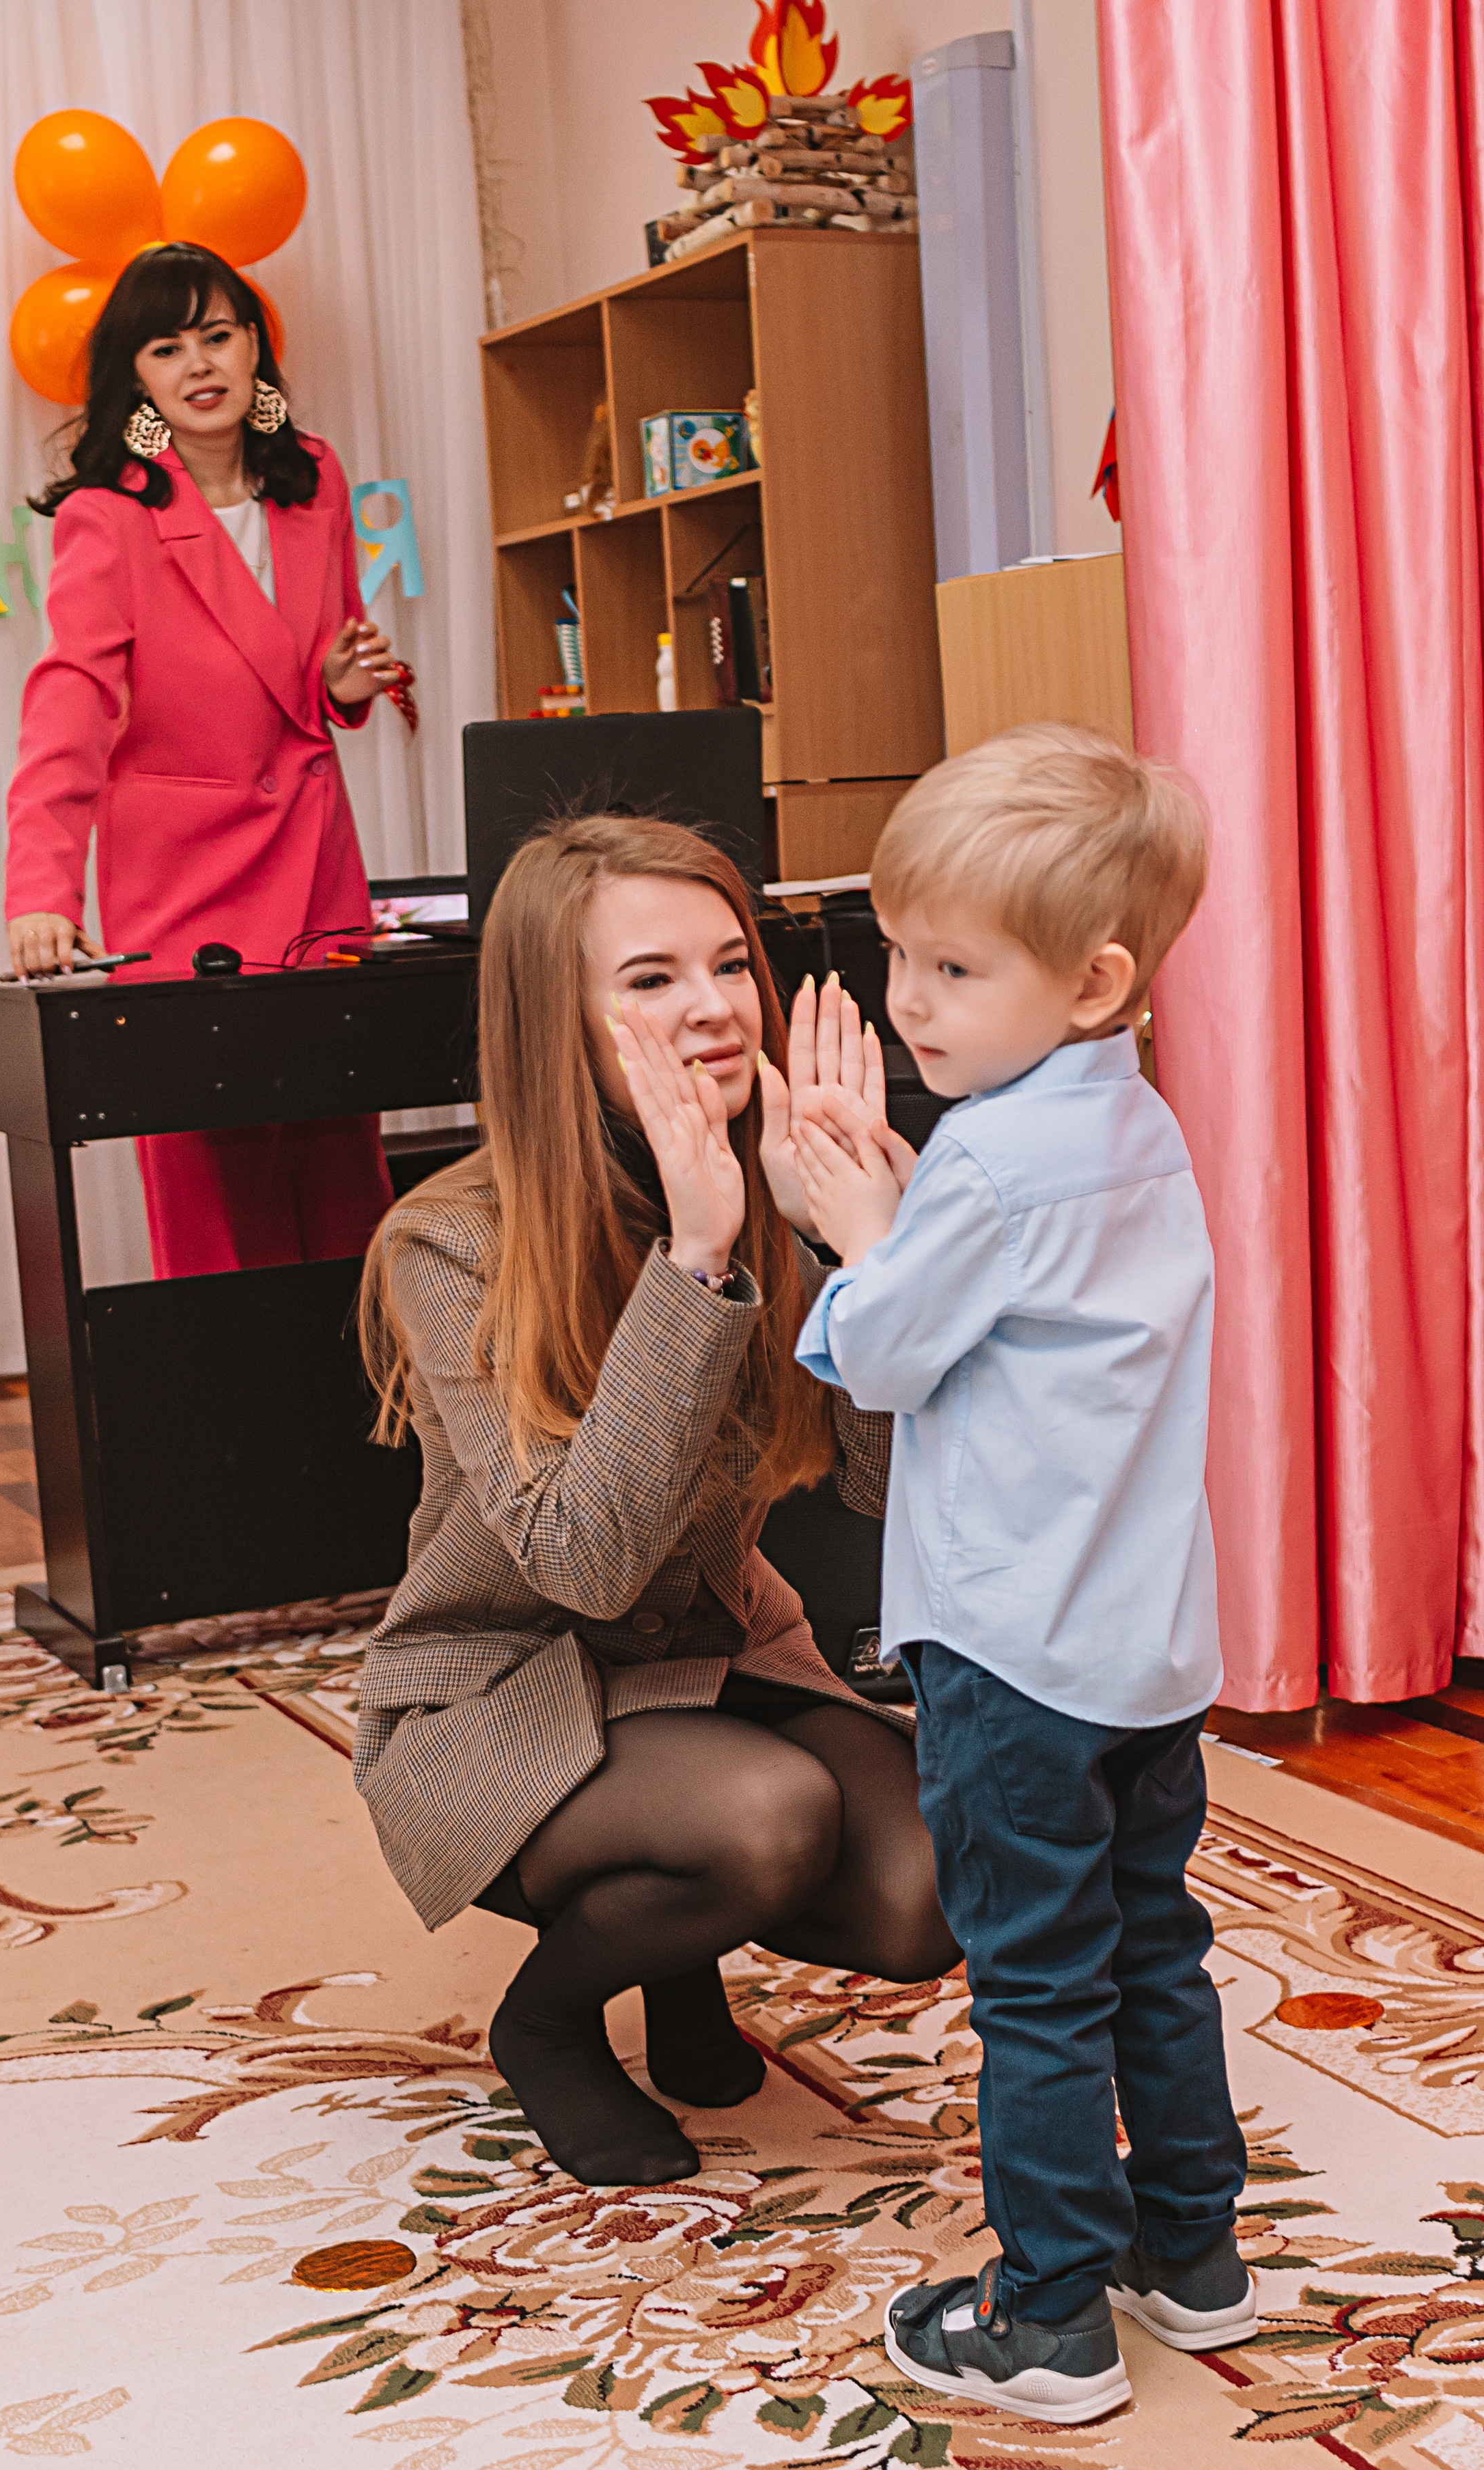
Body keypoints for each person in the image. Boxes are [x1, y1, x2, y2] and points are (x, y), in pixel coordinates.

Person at [353, 813, 958, 2189]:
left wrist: (859, 1249)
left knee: (938, 1883)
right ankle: (550, 2023)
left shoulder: (778, 1172)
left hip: (721, 1654)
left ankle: (679, 1950)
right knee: (766, 1819)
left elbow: (876, 1486)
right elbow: (587, 1566)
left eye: (729, 965)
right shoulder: (449, 1242)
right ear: (554, 1018)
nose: (711, 1010)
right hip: (507, 1690)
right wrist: (693, 1260)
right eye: (649, 979)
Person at [791, 725, 1254, 2429]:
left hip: (1008, 1656)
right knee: (1153, 1943)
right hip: (1143, 1649)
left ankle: (1049, 2315)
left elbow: (885, 1355)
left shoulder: (985, 1161)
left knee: (1036, 1988)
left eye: (953, 967)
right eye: (899, 955)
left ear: (1093, 979)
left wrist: (851, 1230)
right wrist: (914, 1217)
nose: (908, 1002)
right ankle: (1193, 2256)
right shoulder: (1133, 1128)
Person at [4, 241, 398, 1277]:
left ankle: (373, 1424)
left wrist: (343, 689)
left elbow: (310, 671)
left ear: (255, 344)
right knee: (212, 1204)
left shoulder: (314, 484)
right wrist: (41, 890)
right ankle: (235, 1431)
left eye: (218, 335)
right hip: (185, 895)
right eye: (166, 346)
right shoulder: (110, 515)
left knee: (343, 1176)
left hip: (314, 871)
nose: (199, 363)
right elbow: (71, 704)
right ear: (134, 379)